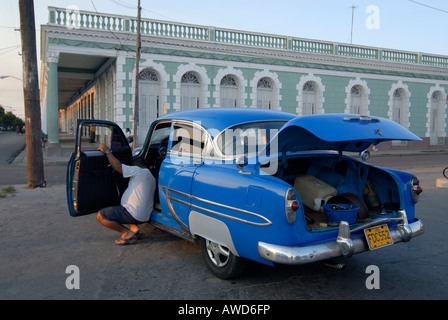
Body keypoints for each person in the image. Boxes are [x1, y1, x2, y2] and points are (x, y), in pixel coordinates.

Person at [96, 143, 156, 245]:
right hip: (144, 216)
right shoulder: (151, 177)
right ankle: (134, 228)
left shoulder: (138, 171)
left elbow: (117, 166)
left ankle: (127, 233)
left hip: (133, 214)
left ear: (135, 165)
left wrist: (107, 151)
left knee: (101, 215)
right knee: (126, 204)